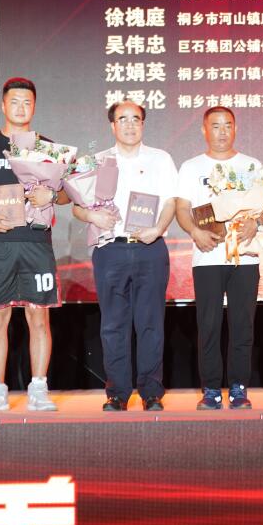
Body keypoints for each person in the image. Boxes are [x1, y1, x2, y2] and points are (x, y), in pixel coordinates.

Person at [0, 76, 68, 412]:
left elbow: (66, 194)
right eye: (15, 102)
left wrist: (50, 195)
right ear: (3, 105)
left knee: (39, 317)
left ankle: (39, 387)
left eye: (27, 102)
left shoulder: (47, 148)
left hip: (37, 242)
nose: (21, 108)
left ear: (34, 106)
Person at [74, 100, 178, 412]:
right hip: (110, 249)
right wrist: (92, 217)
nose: (130, 125)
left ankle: (151, 392)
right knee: (113, 325)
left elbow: (171, 201)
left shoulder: (160, 159)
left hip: (150, 247)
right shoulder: (96, 161)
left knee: (151, 323)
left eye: (135, 119)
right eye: (123, 119)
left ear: (143, 124)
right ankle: (117, 393)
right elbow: (77, 206)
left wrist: (158, 228)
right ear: (112, 125)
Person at [175, 106, 263, 410]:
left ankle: (239, 388)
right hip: (207, 256)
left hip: (244, 257)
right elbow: (182, 208)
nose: (222, 131)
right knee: (209, 326)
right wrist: (194, 232)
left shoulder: (251, 165)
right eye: (215, 126)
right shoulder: (191, 167)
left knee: (243, 326)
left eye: (228, 125)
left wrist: (257, 221)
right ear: (204, 130)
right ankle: (211, 389)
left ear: (235, 128)